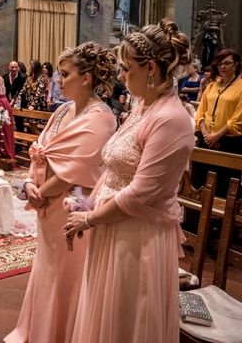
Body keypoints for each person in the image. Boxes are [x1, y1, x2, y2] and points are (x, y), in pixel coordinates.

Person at [65, 19, 194, 343]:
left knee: (125, 321)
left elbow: (140, 194)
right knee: (102, 315)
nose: (121, 76)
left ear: (150, 68)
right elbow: (113, 165)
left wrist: (89, 218)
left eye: (126, 68)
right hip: (114, 227)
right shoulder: (142, 106)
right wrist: (88, 202)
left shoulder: (172, 119)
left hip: (138, 238)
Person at [5, 43, 116, 343]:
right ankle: (38, 331)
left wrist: (38, 192)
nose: (58, 80)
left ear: (87, 78)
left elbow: (72, 171)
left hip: (71, 207)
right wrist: (29, 182)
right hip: (46, 203)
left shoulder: (102, 119)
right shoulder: (64, 110)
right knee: (46, 269)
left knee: (67, 275)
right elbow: (40, 149)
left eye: (65, 74)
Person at [195, 48, 242, 154]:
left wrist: (216, 136)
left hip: (228, 141)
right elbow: (201, 112)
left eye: (227, 63)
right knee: (198, 169)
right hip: (205, 137)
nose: (222, 66)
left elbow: (237, 120)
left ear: (236, 65)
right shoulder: (212, 85)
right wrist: (207, 136)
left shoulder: (240, 87)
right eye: (219, 63)